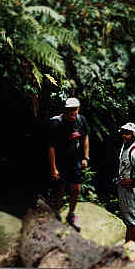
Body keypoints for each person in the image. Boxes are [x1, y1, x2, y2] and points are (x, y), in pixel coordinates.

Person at [48, 97, 89, 231]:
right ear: (65, 110)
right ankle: (56, 214)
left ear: (78, 109)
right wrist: (53, 168)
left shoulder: (81, 120)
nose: (73, 112)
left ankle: (71, 215)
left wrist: (85, 157)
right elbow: (51, 147)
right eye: (70, 110)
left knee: (76, 189)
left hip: (75, 160)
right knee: (60, 189)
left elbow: (85, 137)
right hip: (60, 161)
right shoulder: (56, 123)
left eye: (75, 109)